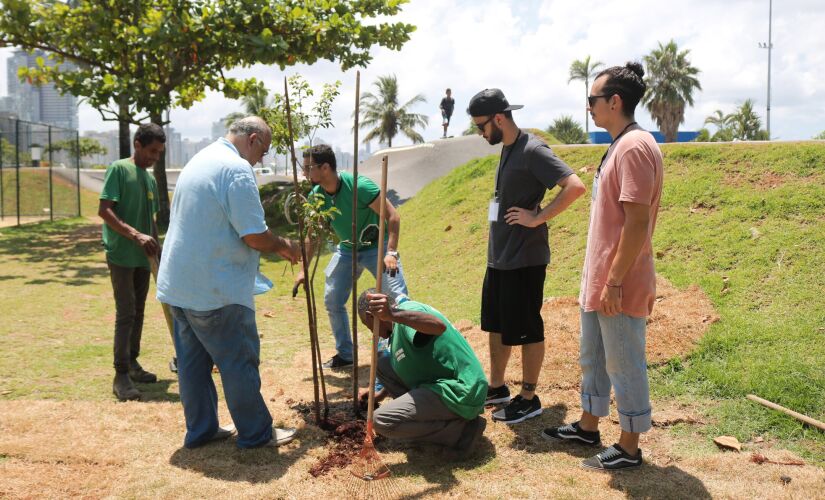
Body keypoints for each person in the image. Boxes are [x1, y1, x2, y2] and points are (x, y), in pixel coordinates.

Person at [542, 62, 664, 471]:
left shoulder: (634, 147)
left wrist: (613, 281)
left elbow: (637, 221)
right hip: (601, 281)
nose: (589, 108)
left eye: (592, 100)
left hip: (619, 283)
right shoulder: (619, 144)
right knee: (593, 357)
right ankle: (588, 425)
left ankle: (629, 446)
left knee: (624, 360)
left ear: (614, 101)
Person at [156, 117, 302, 449]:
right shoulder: (235, 170)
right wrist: (284, 245)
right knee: (238, 361)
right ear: (252, 139)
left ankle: (201, 430)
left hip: (179, 286)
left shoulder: (200, 160)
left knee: (192, 365)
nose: (261, 159)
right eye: (263, 150)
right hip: (214, 290)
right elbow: (253, 235)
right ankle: (256, 433)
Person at [468, 89, 585, 424]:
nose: (480, 133)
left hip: (524, 259)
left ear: (499, 119)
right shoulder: (507, 148)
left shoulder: (533, 150)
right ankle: (497, 387)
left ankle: (529, 398)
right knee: (496, 325)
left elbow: (574, 186)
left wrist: (538, 217)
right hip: (500, 258)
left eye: (481, 126)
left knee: (527, 330)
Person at [295, 144, 409, 370]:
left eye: (308, 167)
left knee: (398, 298)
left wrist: (391, 252)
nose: (304, 173)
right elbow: (312, 236)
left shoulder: (359, 186)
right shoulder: (316, 196)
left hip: (378, 248)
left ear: (325, 167)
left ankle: (404, 351)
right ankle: (346, 354)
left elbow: (393, 217)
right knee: (332, 299)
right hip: (347, 250)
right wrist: (303, 269)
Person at [358, 289, 488, 456]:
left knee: (381, 421)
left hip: (459, 390)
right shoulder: (397, 329)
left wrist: (392, 314)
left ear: (370, 316)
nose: (370, 330)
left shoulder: (407, 313)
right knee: (382, 362)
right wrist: (380, 394)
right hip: (437, 386)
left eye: (365, 324)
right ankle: (436, 420)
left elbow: (437, 326)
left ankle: (462, 432)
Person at [98, 123, 166, 401]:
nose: (155, 158)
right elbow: (104, 210)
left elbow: (150, 219)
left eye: (159, 153)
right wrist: (135, 235)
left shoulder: (149, 179)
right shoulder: (118, 169)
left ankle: (133, 363)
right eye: (152, 151)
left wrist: (155, 244)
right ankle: (121, 374)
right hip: (122, 255)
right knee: (125, 313)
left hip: (142, 257)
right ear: (137, 144)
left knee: (138, 312)